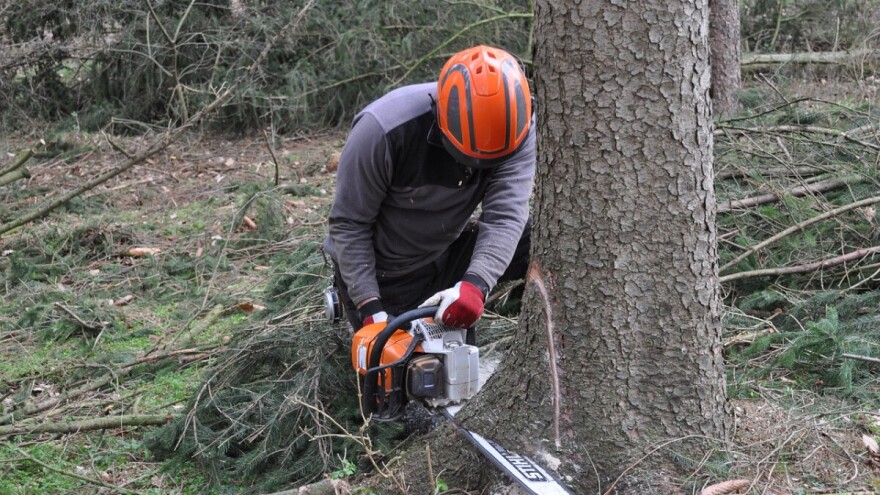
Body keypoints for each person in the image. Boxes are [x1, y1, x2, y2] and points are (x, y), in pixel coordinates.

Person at [323, 45, 535, 333]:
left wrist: (476, 284)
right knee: (410, 369)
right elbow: (350, 224)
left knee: (539, 236)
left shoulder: (518, 126)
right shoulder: (383, 131)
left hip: (448, 247)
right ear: (441, 116)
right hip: (388, 272)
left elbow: (505, 215)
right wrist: (370, 306)